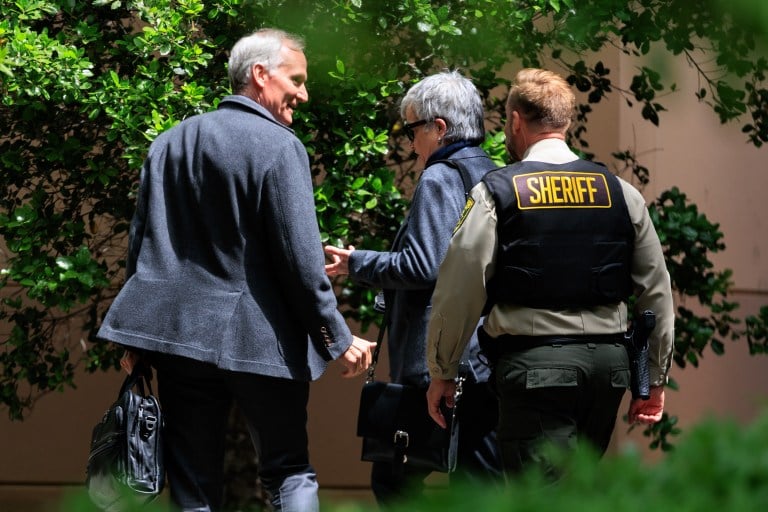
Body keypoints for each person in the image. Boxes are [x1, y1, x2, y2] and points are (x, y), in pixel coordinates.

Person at [96, 28, 376, 512]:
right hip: (260, 341)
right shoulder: (280, 145)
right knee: (289, 472)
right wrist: (338, 337)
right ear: (260, 74)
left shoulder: (170, 143)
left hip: (180, 341)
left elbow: (142, 247)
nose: (303, 94)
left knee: (192, 480)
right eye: (297, 79)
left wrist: (135, 340)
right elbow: (301, 261)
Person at [425, 68, 675, 480]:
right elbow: (657, 292)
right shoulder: (619, 191)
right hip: (606, 371)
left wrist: (442, 370)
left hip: (535, 368)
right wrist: (653, 377)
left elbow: (460, 286)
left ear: (516, 121)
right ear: (567, 123)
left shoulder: (497, 191)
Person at [324, 70, 503, 505]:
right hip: (487, 356)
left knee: (395, 478)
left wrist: (357, 263)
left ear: (438, 128)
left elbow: (423, 266)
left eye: (411, 130)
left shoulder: (441, 176)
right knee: (479, 480)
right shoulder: (496, 174)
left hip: (437, 361)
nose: (409, 143)